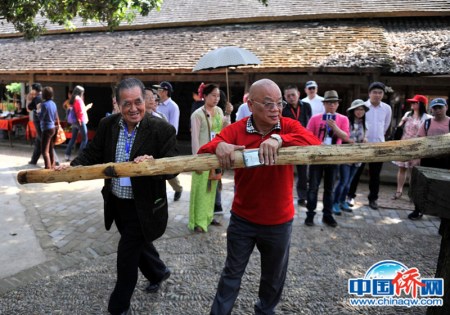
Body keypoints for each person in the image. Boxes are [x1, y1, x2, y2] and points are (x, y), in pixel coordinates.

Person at [199, 79, 320, 314]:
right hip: (243, 219)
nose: (275, 109)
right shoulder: (237, 129)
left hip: (278, 220)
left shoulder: (287, 126)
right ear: (251, 105)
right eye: (268, 104)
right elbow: (205, 149)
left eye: (279, 103)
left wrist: (280, 139)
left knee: (273, 277)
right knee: (231, 273)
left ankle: (265, 311)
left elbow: (313, 142)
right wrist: (219, 146)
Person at [58, 78, 177, 315]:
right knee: (136, 244)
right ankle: (158, 272)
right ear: (117, 103)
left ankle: (118, 308)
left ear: (146, 100)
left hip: (144, 205)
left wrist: (154, 164)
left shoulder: (162, 129)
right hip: (117, 201)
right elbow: (92, 153)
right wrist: (71, 167)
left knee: (126, 256)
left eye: (138, 102)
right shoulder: (108, 124)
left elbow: (173, 166)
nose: (133, 109)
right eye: (127, 104)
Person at [189, 84, 230, 233]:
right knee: (200, 189)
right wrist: (196, 161)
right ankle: (198, 221)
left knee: (212, 189)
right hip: (202, 156)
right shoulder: (197, 115)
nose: (216, 98)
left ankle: (208, 216)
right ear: (204, 96)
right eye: (213, 95)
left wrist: (228, 114)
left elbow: (225, 130)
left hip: (216, 155)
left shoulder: (219, 111)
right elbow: (194, 139)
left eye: (218, 96)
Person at [305, 90, 350, 227]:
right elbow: (307, 136)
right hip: (317, 157)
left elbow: (346, 137)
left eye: (334, 103)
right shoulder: (315, 118)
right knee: (313, 187)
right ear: (324, 104)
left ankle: (327, 215)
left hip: (333, 157)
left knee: (329, 189)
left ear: (337, 104)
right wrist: (318, 143)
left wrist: (335, 128)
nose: (332, 105)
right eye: (329, 103)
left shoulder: (343, 119)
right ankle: (310, 215)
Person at [346, 82, 392, 210]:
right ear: (369, 93)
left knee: (375, 175)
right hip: (361, 145)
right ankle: (350, 196)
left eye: (380, 93)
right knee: (356, 172)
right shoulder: (363, 106)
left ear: (383, 94)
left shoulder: (387, 108)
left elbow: (386, 126)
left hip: (378, 145)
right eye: (374, 92)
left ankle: (373, 199)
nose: (377, 95)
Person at [408, 98, 450, 220]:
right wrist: (416, 158)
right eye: (435, 108)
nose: (438, 110)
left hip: (446, 160)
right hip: (428, 158)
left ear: (446, 107)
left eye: (440, 107)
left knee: (445, 186)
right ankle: (418, 210)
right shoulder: (427, 123)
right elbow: (419, 141)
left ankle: (443, 211)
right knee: (422, 185)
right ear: (431, 109)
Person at [332, 99, 369, 214]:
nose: (360, 111)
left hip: (358, 157)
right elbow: (342, 136)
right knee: (343, 181)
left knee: (349, 183)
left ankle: (343, 201)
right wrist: (349, 140)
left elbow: (365, 136)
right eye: (357, 109)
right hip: (346, 156)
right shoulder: (346, 121)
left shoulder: (365, 123)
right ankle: (335, 203)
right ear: (353, 110)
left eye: (362, 109)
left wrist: (365, 140)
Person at [392, 95, 431, 200]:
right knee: (402, 168)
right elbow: (400, 127)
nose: (413, 104)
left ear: (421, 104)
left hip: (417, 146)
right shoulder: (408, 114)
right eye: (412, 102)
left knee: (413, 171)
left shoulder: (427, 118)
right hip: (404, 144)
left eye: (415, 102)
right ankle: (399, 191)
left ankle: (412, 192)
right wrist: (401, 123)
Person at [282, 84, 312, 206]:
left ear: (299, 94)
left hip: (303, 143)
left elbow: (309, 123)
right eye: (288, 95)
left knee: (303, 172)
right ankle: (284, 195)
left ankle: (302, 196)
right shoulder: (283, 109)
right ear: (284, 97)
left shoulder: (306, 106)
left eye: (293, 94)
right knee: (284, 171)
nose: (291, 97)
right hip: (288, 143)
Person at [154, 81, 183, 201]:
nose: (157, 92)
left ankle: (178, 188)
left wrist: (166, 142)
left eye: (159, 90)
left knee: (168, 168)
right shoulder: (157, 104)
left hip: (166, 142)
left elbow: (174, 128)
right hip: (155, 141)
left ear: (165, 91)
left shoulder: (173, 106)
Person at [27, 83, 60, 166]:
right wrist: (58, 124)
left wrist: (30, 100)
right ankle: (34, 160)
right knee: (40, 141)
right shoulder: (52, 103)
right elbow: (56, 114)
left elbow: (31, 110)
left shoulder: (40, 101)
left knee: (45, 149)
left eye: (31, 89)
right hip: (51, 126)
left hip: (43, 126)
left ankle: (51, 164)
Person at [64, 86, 91, 161]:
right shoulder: (78, 100)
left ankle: (67, 155)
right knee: (85, 139)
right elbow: (80, 111)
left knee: (73, 138)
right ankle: (80, 156)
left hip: (74, 122)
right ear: (80, 93)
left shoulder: (72, 100)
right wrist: (88, 107)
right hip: (80, 121)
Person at [38, 86, 58, 169]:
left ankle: (47, 168)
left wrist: (38, 110)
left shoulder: (44, 105)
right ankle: (52, 166)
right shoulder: (53, 104)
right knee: (50, 149)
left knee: (44, 151)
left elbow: (41, 117)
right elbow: (55, 116)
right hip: (53, 127)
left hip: (46, 128)